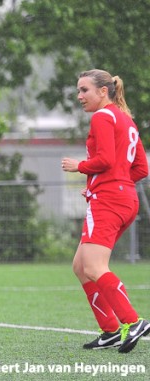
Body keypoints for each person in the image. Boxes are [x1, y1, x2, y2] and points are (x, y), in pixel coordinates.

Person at [61, 69, 150, 353]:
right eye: (78, 90)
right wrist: (115, 184)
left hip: (109, 200)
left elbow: (105, 159)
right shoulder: (126, 120)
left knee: (94, 267)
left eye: (84, 90)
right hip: (124, 198)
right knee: (81, 267)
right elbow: (141, 168)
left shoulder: (102, 116)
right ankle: (110, 330)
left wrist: (80, 166)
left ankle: (132, 321)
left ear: (103, 91)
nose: (79, 96)